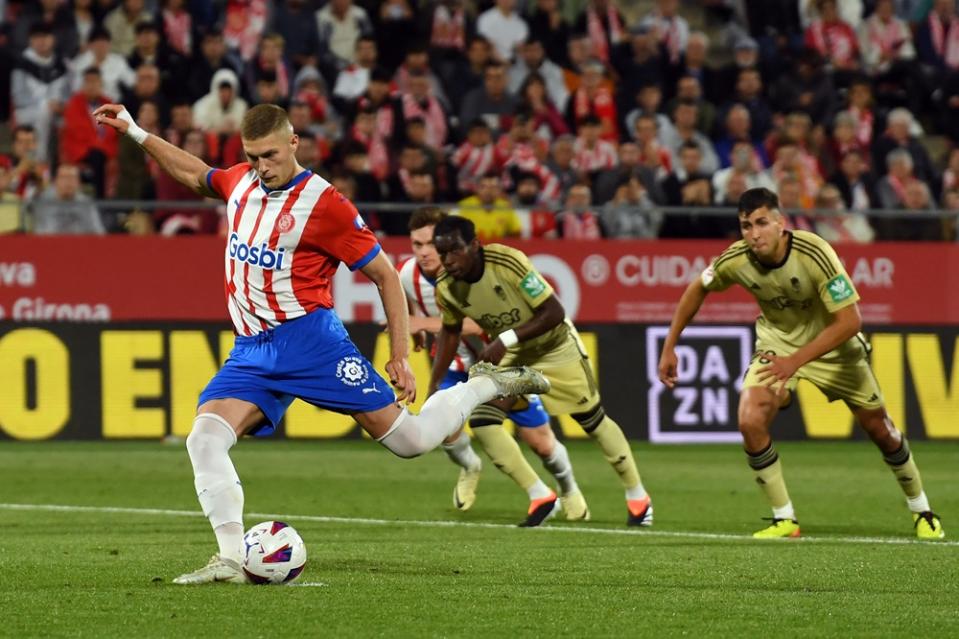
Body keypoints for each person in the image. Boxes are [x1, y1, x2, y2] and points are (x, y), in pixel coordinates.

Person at [93, 101, 550, 585]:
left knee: (411, 442)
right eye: (251, 157)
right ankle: (229, 559)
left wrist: (398, 353)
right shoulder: (243, 183)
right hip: (251, 350)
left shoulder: (325, 204)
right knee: (204, 440)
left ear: (294, 144)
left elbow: (386, 277)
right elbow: (199, 174)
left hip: (312, 344)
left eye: (269, 155)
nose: (260, 167)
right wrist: (137, 132)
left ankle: (482, 386)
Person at [657, 187, 944, 540]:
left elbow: (850, 321)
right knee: (749, 418)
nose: (754, 233)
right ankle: (784, 519)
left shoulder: (815, 252)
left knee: (881, 430)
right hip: (778, 345)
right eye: (746, 226)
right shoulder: (735, 260)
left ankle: (922, 510)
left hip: (833, 346)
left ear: (781, 223)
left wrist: (796, 361)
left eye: (762, 223)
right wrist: (671, 345)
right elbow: (697, 288)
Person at [430, 216, 654, 526]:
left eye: (455, 250)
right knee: (483, 420)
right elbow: (450, 332)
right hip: (516, 355)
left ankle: (638, 497)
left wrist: (504, 339)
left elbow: (554, 312)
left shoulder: (508, 262)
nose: (448, 260)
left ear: (474, 245)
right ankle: (540, 495)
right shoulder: (447, 288)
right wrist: (434, 383)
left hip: (555, 346)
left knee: (592, 420)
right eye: (442, 253)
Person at [400, 207, 589, 521]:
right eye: (416, 245)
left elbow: (475, 325)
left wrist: (421, 322)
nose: (424, 253)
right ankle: (474, 468)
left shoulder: (476, 272)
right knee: (442, 429)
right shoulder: (407, 275)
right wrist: (416, 333)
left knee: (541, 443)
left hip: (502, 361)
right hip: (455, 364)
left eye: (430, 244)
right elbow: (410, 310)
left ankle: (569, 488)